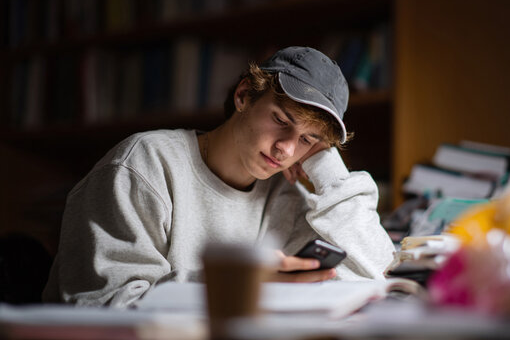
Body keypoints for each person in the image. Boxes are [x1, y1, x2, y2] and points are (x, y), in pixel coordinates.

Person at [42, 46, 395, 307]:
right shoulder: (144, 165)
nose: (286, 150)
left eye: (308, 139)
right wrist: (235, 288)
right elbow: (102, 307)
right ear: (243, 96)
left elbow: (376, 274)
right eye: (281, 121)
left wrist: (329, 172)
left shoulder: (285, 199)